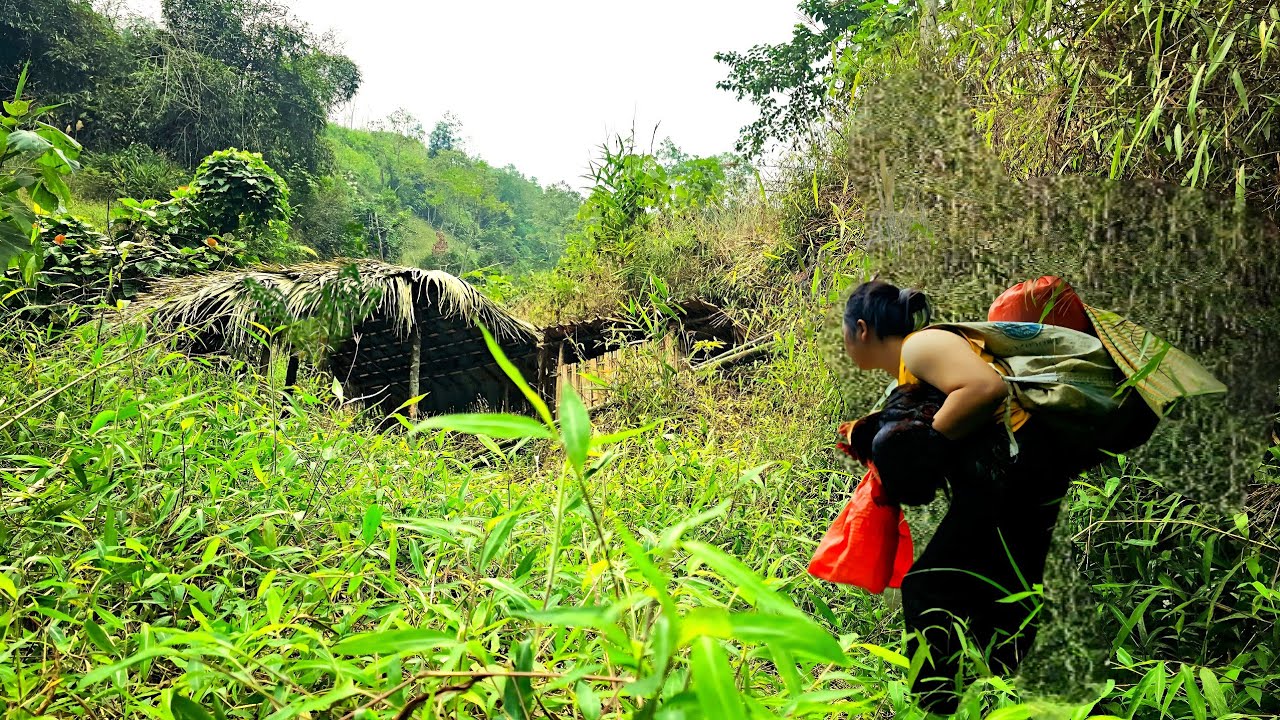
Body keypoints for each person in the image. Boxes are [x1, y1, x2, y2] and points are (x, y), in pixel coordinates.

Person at [841, 278, 1108, 714]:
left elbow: (985, 389)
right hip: (1027, 470)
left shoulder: (920, 347)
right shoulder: (910, 377)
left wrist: (928, 449)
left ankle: (938, 708)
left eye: (845, 331)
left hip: (1018, 467)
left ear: (863, 329)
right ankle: (1002, 702)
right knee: (1003, 600)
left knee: (929, 588)